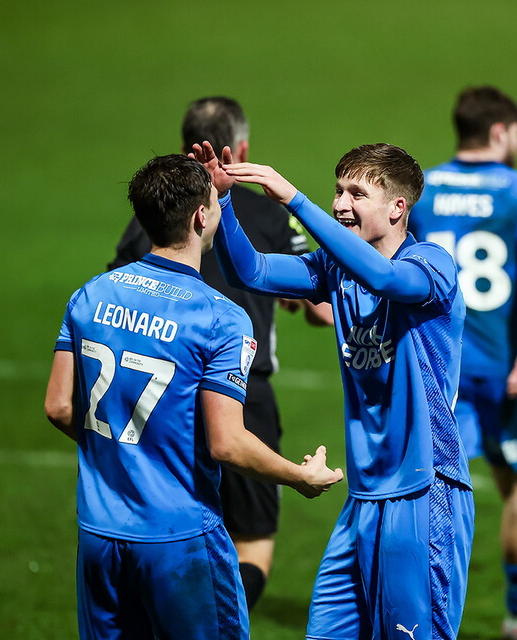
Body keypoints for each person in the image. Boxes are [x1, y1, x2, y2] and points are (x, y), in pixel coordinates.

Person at [45, 153, 342, 640]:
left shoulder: (90, 295)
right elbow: (227, 444)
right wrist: (298, 476)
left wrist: (124, 450)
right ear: (202, 216)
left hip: (99, 533)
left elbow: (58, 406)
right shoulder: (220, 317)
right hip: (179, 538)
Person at [193, 140, 474, 640]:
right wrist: (227, 201)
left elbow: (386, 279)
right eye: (337, 191)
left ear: (397, 209)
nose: (341, 203)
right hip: (364, 497)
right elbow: (250, 270)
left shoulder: (432, 265)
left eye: (356, 194)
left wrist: (295, 200)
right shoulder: (336, 269)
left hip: (424, 490)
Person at [108, 96, 333, 611]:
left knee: (173, 524)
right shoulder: (271, 215)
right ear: (241, 148)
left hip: (160, 389)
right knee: (252, 541)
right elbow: (320, 309)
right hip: (243, 389)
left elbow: (118, 285)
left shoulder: (151, 217)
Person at [408, 86, 517, 640]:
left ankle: (411, 616)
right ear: (500, 132)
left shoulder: (421, 190)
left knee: (427, 494)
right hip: (504, 370)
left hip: (433, 368)